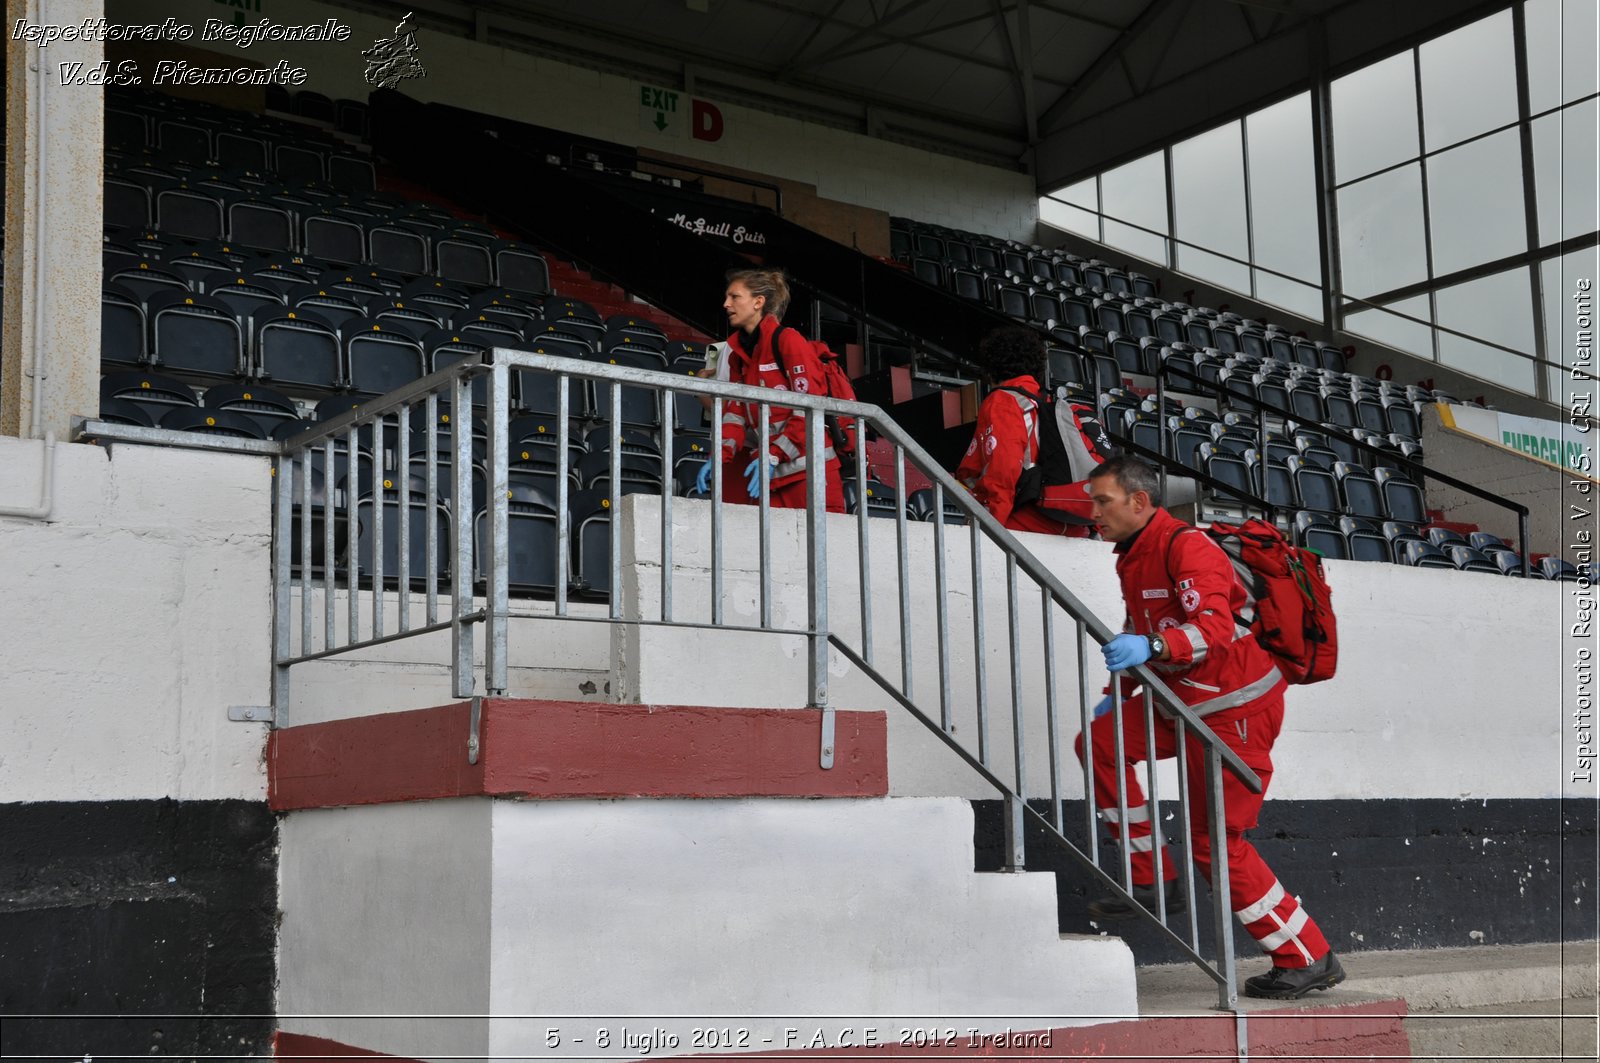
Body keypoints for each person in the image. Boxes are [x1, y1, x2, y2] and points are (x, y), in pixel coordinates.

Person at [1075, 454, 1344, 1000]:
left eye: (1102, 500)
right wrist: (1118, 693)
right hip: (1186, 701)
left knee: (1217, 845)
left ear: (1140, 501)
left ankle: (1307, 955)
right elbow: (1144, 626)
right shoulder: (1132, 555)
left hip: (1237, 707)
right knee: (1101, 742)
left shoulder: (1187, 546)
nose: (1093, 511)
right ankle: (1151, 880)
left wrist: (1148, 647)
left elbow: (1212, 631)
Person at [694, 269, 844, 512]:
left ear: (758, 302)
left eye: (735, 297)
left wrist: (774, 454)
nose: (726, 304)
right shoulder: (738, 356)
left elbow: (808, 409)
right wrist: (719, 455)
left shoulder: (788, 340)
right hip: (771, 477)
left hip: (811, 474)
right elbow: (736, 412)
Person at [955, 326, 1099, 537]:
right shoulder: (1051, 405)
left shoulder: (1003, 400)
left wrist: (990, 525)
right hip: (1072, 529)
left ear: (992, 366)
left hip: (1025, 527)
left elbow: (1003, 469)